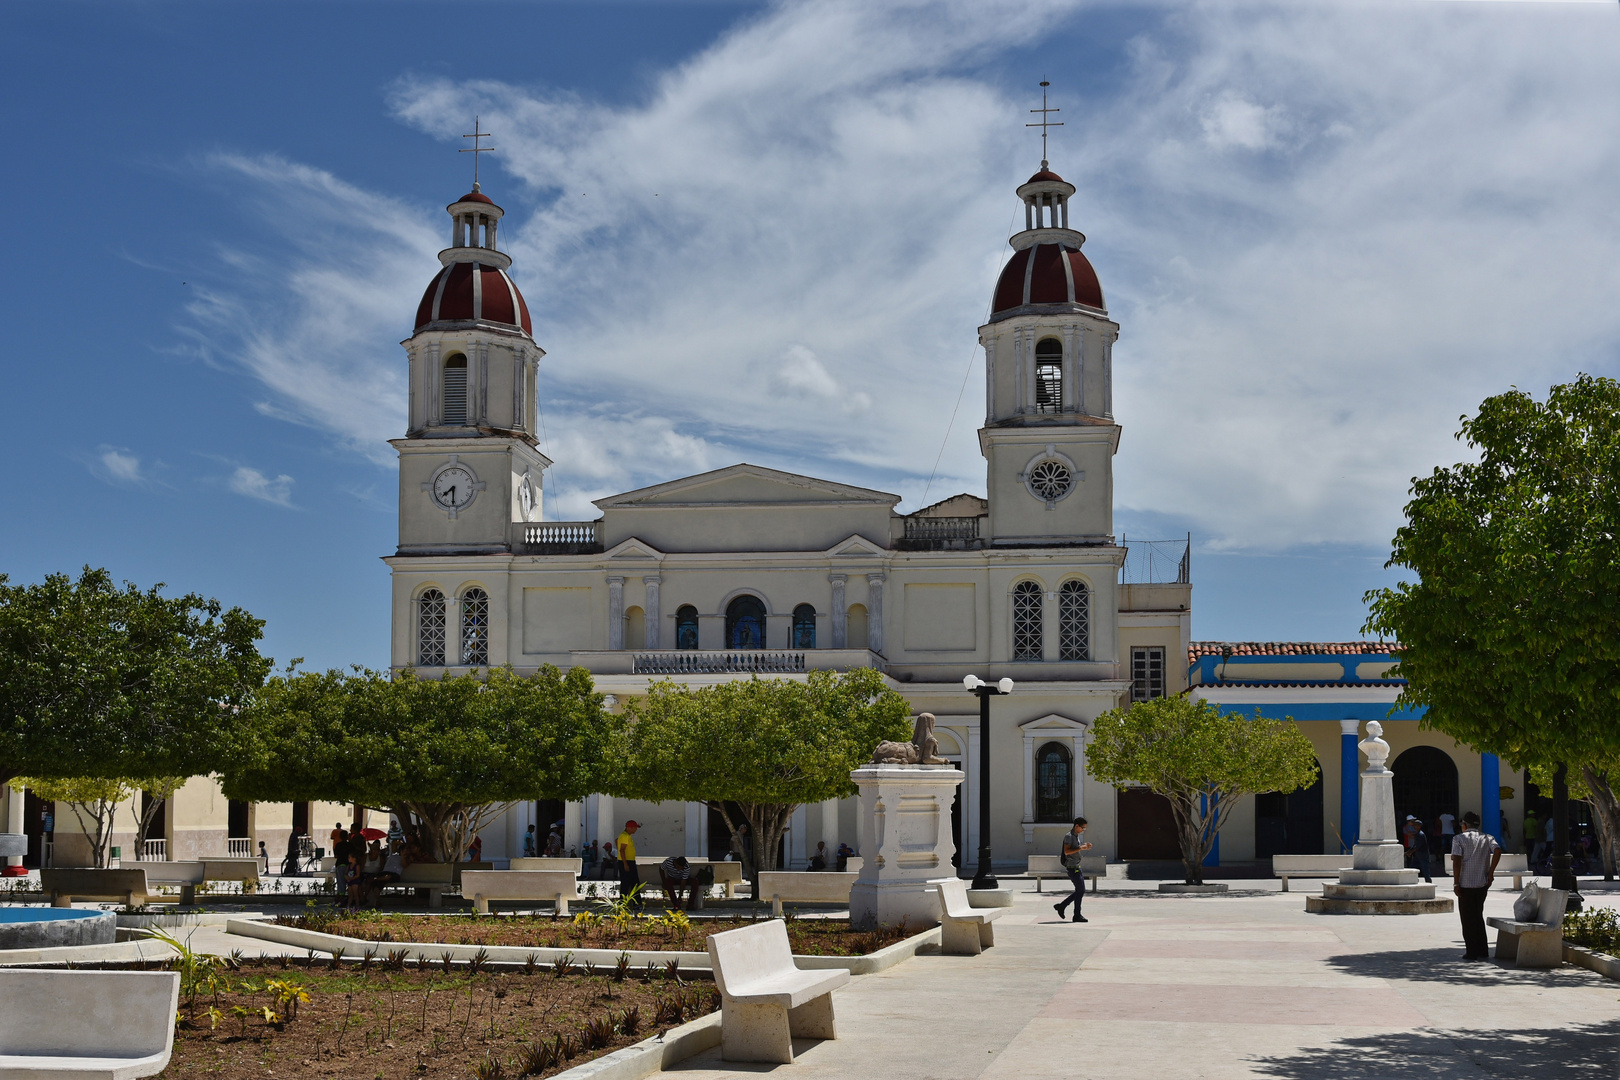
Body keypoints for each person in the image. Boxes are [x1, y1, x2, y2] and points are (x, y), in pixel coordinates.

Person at [1451, 810, 1501, 962]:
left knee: (1467, 919)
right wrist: (1491, 872)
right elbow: (1497, 850)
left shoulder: (1458, 838)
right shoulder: (1487, 837)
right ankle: (1482, 950)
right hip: (1481, 883)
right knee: (1478, 915)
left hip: (1465, 884)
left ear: (1464, 825)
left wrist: (1456, 882)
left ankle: (1471, 951)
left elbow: (1457, 861)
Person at [1053, 816, 1093, 923]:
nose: (1083, 830)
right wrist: (1081, 848)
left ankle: (1069, 910)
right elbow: (1067, 852)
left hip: (1076, 866)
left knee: (1080, 891)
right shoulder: (1069, 836)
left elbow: (1075, 850)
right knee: (1080, 890)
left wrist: (1083, 846)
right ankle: (1072, 911)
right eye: (1082, 828)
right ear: (1076, 826)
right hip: (1072, 867)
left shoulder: (1075, 836)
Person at [365, 839, 407, 907]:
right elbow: (393, 843)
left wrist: (403, 856)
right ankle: (375, 900)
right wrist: (400, 843)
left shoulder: (406, 859)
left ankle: (376, 879)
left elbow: (404, 865)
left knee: (387, 877)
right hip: (385, 872)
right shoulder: (393, 855)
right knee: (375, 885)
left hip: (395, 874)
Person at [617, 820, 641, 904]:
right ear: (629, 828)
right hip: (627, 862)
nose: (635, 830)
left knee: (633, 883)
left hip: (629, 861)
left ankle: (633, 903)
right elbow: (622, 850)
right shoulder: (624, 836)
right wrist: (625, 864)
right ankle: (625, 903)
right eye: (634, 828)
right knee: (628, 884)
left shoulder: (625, 835)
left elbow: (617, 841)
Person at [1404, 816, 1432, 883]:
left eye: (1417, 825)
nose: (1415, 827)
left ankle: (1428, 882)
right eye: (1414, 825)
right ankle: (1413, 880)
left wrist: (1409, 852)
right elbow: (1414, 845)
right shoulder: (1417, 834)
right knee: (1412, 868)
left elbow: (1417, 846)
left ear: (1420, 826)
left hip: (1423, 855)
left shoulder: (1421, 834)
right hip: (1418, 855)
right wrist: (1408, 852)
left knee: (1425, 870)